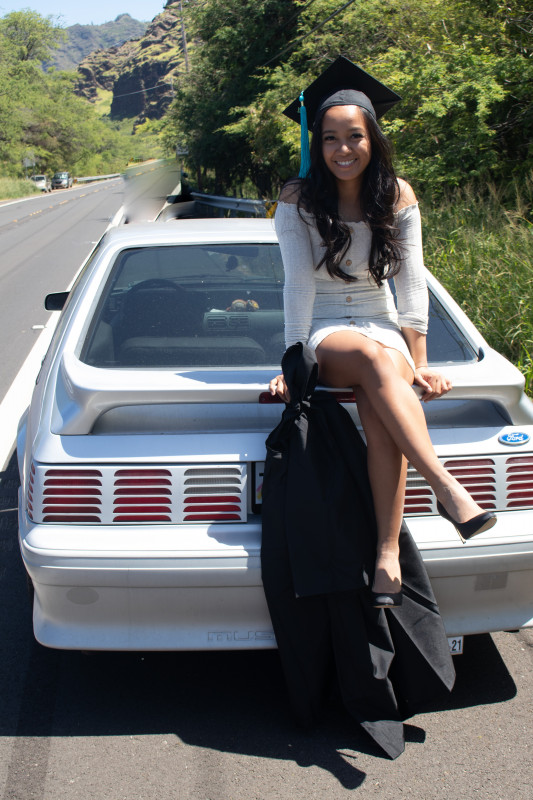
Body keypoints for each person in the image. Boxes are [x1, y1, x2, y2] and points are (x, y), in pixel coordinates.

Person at [269, 56, 496, 608]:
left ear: (373, 138)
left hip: (381, 322)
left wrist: (418, 362)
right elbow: (297, 286)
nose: (342, 149)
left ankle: (387, 555)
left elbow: (413, 286)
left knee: (381, 405)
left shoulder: (397, 196)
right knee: (372, 363)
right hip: (326, 327)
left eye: (354, 136)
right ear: (317, 144)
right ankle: (446, 488)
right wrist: (293, 364)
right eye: (329, 138)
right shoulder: (297, 201)